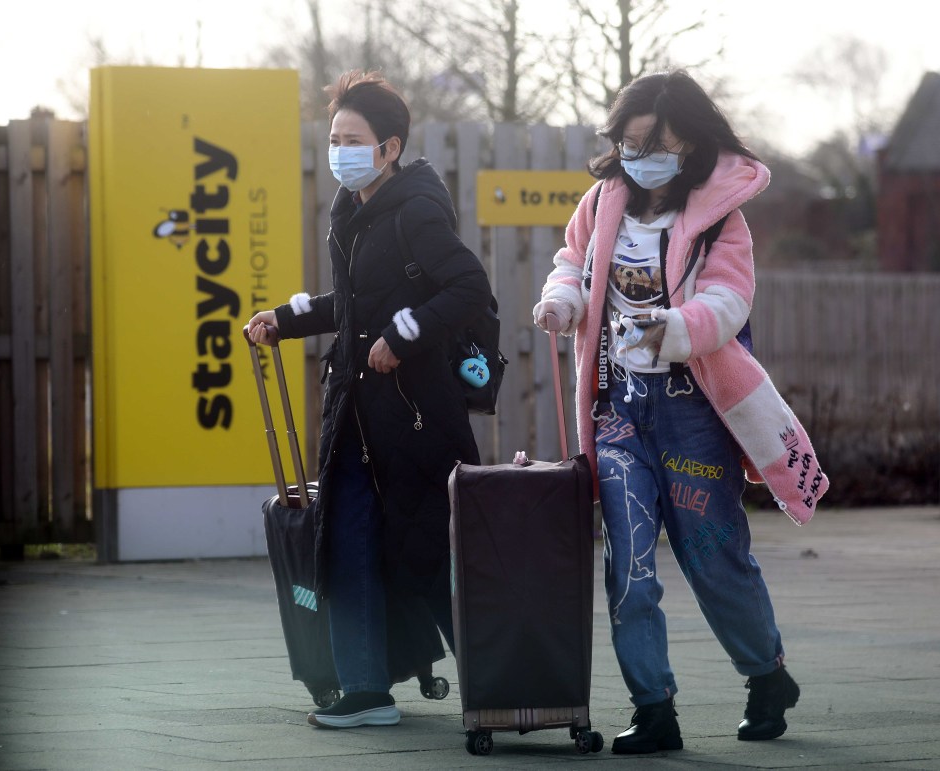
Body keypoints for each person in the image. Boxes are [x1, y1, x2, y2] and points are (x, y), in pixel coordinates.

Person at [533, 70, 829, 754]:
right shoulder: (601, 201)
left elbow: (731, 298)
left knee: (713, 556)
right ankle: (653, 705)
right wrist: (562, 300)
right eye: (630, 142)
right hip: (615, 411)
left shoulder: (721, 216)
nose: (640, 155)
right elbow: (571, 263)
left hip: (691, 408)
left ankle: (765, 674)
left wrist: (680, 325)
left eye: (656, 143)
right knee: (627, 563)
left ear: (691, 143)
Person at [248, 70, 491, 729]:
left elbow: (468, 287)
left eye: (351, 139)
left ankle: (499, 686)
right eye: (332, 137)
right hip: (354, 419)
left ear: (389, 148)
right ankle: (364, 690)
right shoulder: (349, 212)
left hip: (413, 420)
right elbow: (348, 304)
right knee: (347, 547)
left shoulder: (416, 208)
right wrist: (283, 315)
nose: (338, 149)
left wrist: (403, 334)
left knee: (433, 554)